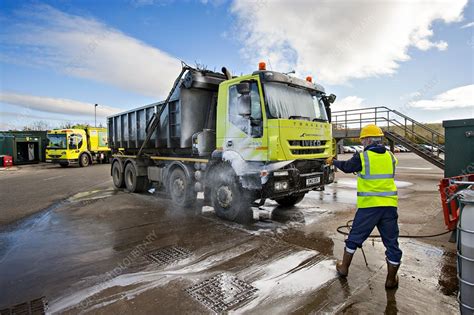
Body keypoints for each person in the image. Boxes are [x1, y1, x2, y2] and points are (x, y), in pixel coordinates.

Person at [326, 124, 402, 289]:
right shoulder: (391, 156)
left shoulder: (363, 157)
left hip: (369, 206)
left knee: (355, 237)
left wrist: (334, 161)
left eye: (362, 140)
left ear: (368, 140)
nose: (362, 144)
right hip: (389, 206)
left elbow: (347, 168)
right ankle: (390, 279)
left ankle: (344, 267)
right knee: (392, 242)